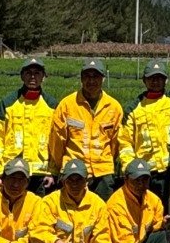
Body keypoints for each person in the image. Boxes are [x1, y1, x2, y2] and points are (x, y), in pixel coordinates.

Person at [49, 58, 124, 199]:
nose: (91, 81)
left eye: (95, 76)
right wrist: (64, 166)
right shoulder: (67, 105)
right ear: (81, 78)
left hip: (103, 173)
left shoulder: (114, 107)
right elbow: (57, 142)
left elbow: (115, 143)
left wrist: (105, 162)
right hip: (73, 172)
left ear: (103, 78)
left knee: (102, 215)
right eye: (87, 76)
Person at [0, 57, 56, 193]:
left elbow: (57, 142)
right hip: (13, 172)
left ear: (44, 77)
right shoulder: (7, 104)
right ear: (22, 76)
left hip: (41, 174)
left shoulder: (52, 106)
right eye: (28, 73)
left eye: (37, 73)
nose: (33, 77)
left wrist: (52, 171)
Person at [119, 61, 170, 208]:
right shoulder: (133, 109)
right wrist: (131, 171)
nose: (156, 81)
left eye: (159, 78)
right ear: (144, 80)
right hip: (147, 175)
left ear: (166, 80)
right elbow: (125, 144)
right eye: (151, 78)